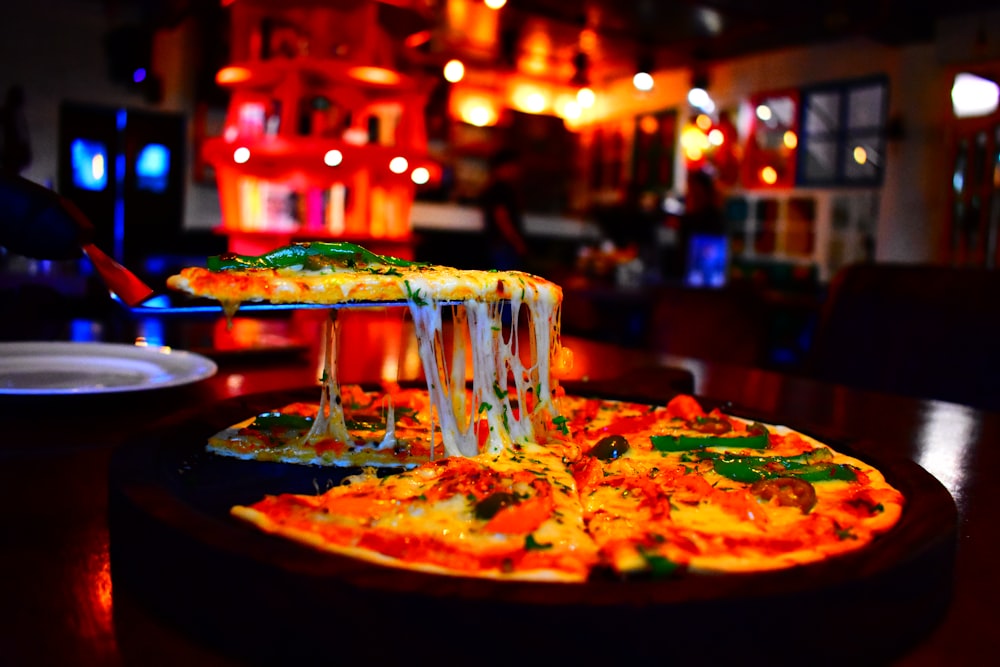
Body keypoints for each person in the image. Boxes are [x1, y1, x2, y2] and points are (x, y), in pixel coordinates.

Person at [479, 148, 529, 271]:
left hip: (498, 243)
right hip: (503, 244)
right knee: (507, 281)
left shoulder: (494, 187)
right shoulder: (501, 188)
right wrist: (516, 241)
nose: (517, 171)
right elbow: (501, 216)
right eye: (515, 166)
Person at [0, 85, 32, 176]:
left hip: (14, 157)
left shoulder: (18, 115)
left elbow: (23, 137)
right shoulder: (8, 113)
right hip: (11, 156)